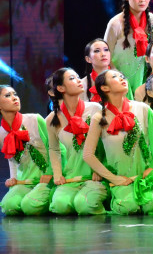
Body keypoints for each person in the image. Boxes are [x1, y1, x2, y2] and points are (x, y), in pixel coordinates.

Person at [82, 70, 153, 215]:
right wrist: (115, 179)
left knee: (152, 205)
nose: (122, 78)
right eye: (115, 77)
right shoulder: (99, 117)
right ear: (104, 88)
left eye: (122, 76)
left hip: (146, 177)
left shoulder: (142, 108)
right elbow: (88, 154)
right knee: (127, 207)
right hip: (121, 179)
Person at [45, 68, 108, 215]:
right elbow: (54, 149)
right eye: (72, 78)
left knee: (85, 205)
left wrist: (99, 169)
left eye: (78, 77)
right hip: (71, 178)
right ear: (61, 88)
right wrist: (57, 174)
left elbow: (107, 142)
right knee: (60, 206)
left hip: (96, 176)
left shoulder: (95, 109)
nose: (79, 80)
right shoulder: (52, 119)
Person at [0, 85, 52, 215]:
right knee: (9, 206)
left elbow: (56, 148)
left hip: (47, 179)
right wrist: (13, 178)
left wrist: (50, 173)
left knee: (29, 207)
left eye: (15, 94)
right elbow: (12, 160)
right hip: (25, 182)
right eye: (8, 96)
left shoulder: (35, 119)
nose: (14, 98)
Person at [104, 0, 153, 99]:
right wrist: (118, 78)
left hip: (147, 79)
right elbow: (105, 56)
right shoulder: (115, 23)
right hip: (119, 80)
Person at [79, 38, 111, 103]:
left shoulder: (120, 79)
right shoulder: (81, 85)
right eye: (97, 51)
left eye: (106, 50)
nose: (103, 54)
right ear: (88, 59)